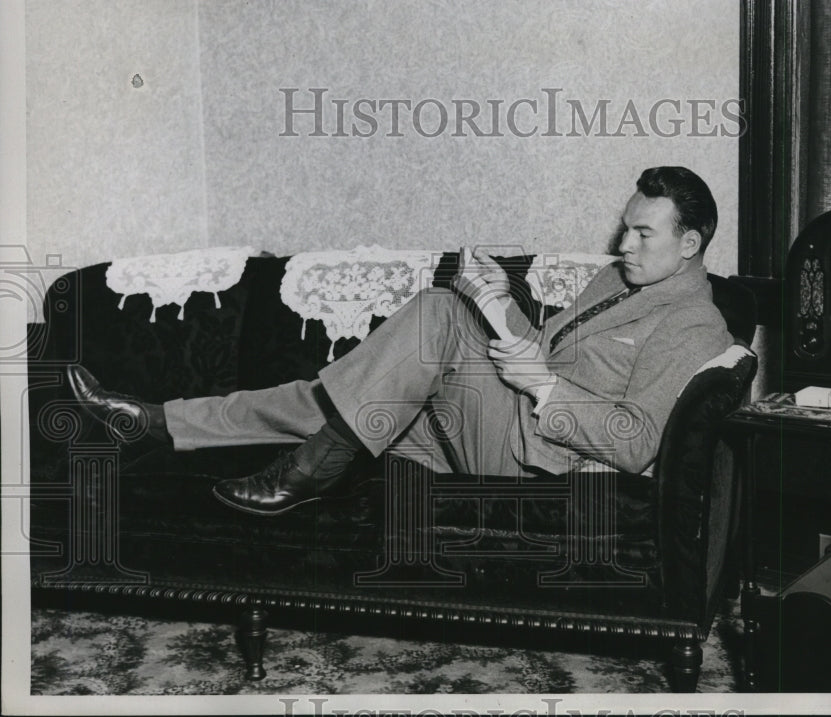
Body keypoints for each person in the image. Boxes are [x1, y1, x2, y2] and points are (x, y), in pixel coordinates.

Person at [69, 166, 732, 516]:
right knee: (330, 400)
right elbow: (544, 353)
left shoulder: (691, 324)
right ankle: (157, 422)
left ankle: (307, 472)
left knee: (439, 314)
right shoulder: (619, 278)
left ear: (690, 243)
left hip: (541, 455)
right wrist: (499, 303)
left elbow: (639, 439)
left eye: (644, 233)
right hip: (502, 420)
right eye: (625, 227)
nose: (623, 243)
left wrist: (544, 386)